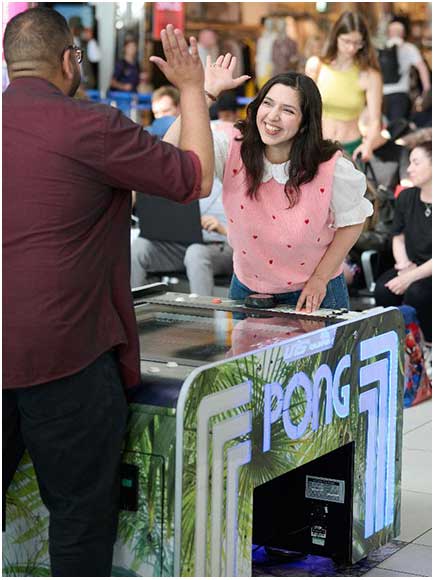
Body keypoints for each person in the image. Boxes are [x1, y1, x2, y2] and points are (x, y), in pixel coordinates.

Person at [3, 8, 214, 576]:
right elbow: (194, 177)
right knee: (78, 519)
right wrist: (192, 89)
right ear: (71, 60)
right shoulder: (88, 123)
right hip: (65, 355)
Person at [164, 55, 373, 312]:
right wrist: (206, 93)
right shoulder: (232, 149)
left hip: (313, 294)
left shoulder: (330, 167)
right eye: (268, 104)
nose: (272, 116)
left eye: (287, 110)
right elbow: (167, 152)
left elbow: (353, 222)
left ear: (305, 123)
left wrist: (320, 279)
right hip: (246, 289)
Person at [131, 101, 237, 296]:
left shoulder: (238, 179)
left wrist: (222, 228)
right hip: (183, 245)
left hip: (223, 246)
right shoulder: (190, 175)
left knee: (196, 252)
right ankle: (135, 310)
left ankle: (202, 319)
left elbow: (251, 237)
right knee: (139, 246)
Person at [374, 142, 432, 345]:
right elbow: (397, 236)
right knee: (383, 288)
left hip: (429, 270)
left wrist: (409, 278)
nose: (409, 169)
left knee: (418, 292)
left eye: (416, 162)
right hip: (410, 263)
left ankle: (425, 347)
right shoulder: (407, 196)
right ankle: (395, 343)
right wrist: (404, 265)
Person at [305, 11, 383, 161]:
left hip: (351, 149)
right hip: (317, 146)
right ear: (335, 37)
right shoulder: (316, 66)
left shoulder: (370, 75)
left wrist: (368, 145)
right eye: (346, 41)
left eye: (358, 43)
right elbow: (306, 110)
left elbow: (375, 121)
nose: (352, 48)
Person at [382, 16, 431, 123]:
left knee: (385, 127)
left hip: (382, 94)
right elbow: (422, 68)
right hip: (400, 94)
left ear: (389, 33)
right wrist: (426, 90)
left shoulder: (382, 48)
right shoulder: (409, 48)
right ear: (403, 33)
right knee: (398, 128)